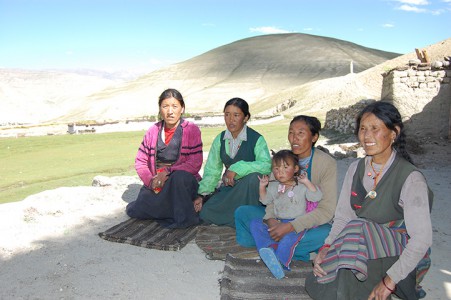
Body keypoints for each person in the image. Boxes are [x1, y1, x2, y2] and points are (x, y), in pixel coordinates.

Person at [305, 101, 433, 300]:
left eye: (375, 128)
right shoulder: (356, 169)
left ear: (394, 133)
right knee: (331, 278)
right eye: (363, 129)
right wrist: (327, 248)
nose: (367, 136)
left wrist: (388, 281)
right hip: (359, 247)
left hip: (397, 257)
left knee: (356, 233)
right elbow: (342, 218)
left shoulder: (410, 178)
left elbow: (421, 240)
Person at [235, 115, 338, 262]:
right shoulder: (281, 159)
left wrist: (291, 226)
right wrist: (271, 220)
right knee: (242, 213)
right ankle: (283, 247)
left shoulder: (326, 164)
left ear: (314, 137)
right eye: (291, 132)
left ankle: (270, 245)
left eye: (300, 133)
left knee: (326, 233)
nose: (294, 138)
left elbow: (326, 210)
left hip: (305, 222)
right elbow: (271, 198)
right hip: (279, 216)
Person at [126, 88, 203, 228]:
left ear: (182, 108)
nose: (170, 111)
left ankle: (181, 215)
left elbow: (195, 163)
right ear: (160, 109)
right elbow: (141, 161)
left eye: (175, 106)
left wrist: (167, 172)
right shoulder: (152, 131)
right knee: (138, 210)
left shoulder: (192, 130)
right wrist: (151, 181)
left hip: (182, 182)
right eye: (165, 106)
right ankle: (174, 209)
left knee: (179, 178)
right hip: (158, 183)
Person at [193, 97, 272, 227]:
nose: (231, 120)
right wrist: (202, 195)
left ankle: (248, 217)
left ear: (245, 117)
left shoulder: (257, 139)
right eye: (227, 115)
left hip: (250, 191)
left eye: (236, 115)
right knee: (205, 212)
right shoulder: (220, 139)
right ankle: (240, 219)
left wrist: (237, 168)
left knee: (254, 178)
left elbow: (266, 165)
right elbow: (212, 170)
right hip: (230, 188)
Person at [250, 149, 323, 279]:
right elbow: (265, 200)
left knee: (287, 241)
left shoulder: (301, 186)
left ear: (295, 169)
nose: (280, 172)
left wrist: (307, 182)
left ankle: (280, 263)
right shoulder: (274, 186)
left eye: (285, 167)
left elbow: (316, 196)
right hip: (277, 222)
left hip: (295, 224)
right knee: (255, 223)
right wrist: (262, 187)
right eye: (276, 169)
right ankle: (269, 249)